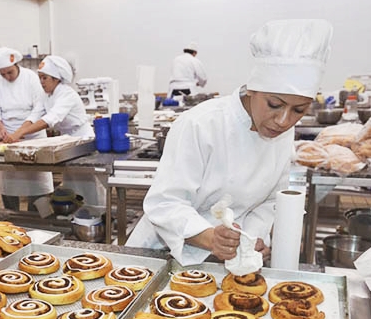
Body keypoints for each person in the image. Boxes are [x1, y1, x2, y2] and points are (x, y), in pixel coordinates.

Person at [126, 19, 333, 266]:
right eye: (274, 105)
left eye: (299, 110)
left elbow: (269, 200)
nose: (283, 121)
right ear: (253, 89)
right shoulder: (201, 124)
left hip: (228, 261)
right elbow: (164, 203)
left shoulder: (283, 133)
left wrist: (251, 238)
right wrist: (209, 237)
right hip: (161, 256)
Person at [6, 55, 106, 206]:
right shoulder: (46, 95)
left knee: (88, 182)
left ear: (56, 79)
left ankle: (98, 214)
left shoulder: (67, 94)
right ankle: (77, 215)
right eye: (40, 78)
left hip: (83, 140)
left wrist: (19, 134)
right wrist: (16, 133)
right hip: (68, 141)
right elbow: (35, 115)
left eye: (45, 78)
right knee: (71, 182)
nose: (41, 82)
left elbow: (50, 119)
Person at [0, 47, 52, 212]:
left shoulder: (31, 78)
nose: (7, 77)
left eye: (10, 72)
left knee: (38, 181)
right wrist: (1, 129)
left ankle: (40, 218)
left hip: (34, 135)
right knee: (10, 180)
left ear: (16, 64)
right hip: (8, 137)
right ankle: (12, 217)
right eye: (3, 74)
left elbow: (39, 108)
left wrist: (21, 132)